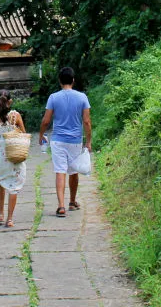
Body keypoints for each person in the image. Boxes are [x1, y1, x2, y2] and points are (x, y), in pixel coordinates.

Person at [38, 67, 92, 217]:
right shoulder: (82, 97)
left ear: (60, 81)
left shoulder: (53, 98)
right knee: (74, 170)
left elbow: (46, 120)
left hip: (58, 141)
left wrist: (41, 135)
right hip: (75, 140)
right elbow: (86, 122)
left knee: (60, 171)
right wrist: (88, 141)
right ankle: (72, 201)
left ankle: (61, 206)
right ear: (73, 80)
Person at [0, 90, 27, 227]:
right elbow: (24, 134)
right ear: (10, 102)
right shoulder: (16, 116)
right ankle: (9, 219)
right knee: (14, 186)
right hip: (14, 154)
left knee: (1, 182)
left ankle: (0, 215)